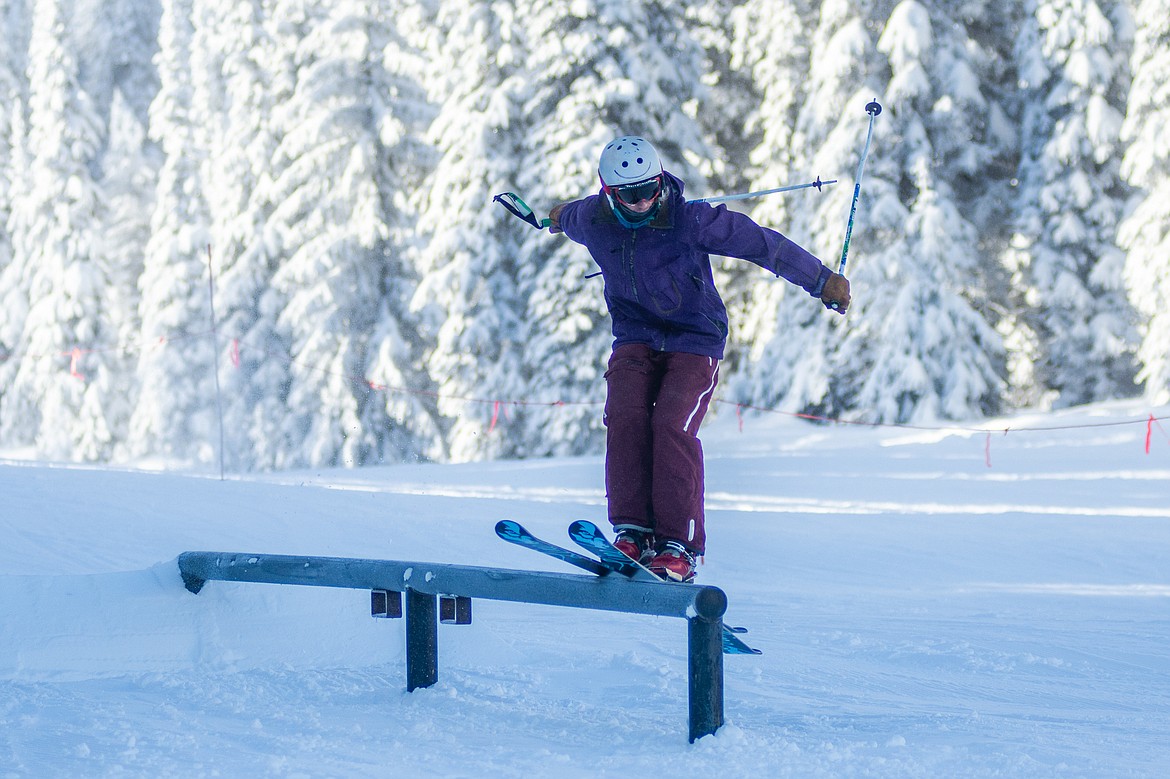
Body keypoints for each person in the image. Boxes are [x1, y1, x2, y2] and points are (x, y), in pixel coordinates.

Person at [548, 136, 850, 582]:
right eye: (630, 195)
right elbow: (565, 216)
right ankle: (632, 531)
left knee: (671, 424)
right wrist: (553, 216)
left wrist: (822, 280)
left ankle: (679, 546)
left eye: (650, 189)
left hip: (695, 337)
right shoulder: (592, 219)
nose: (643, 201)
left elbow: (763, 244)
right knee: (626, 416)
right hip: (635, 334)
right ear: (609, 194)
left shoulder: (690, 220)